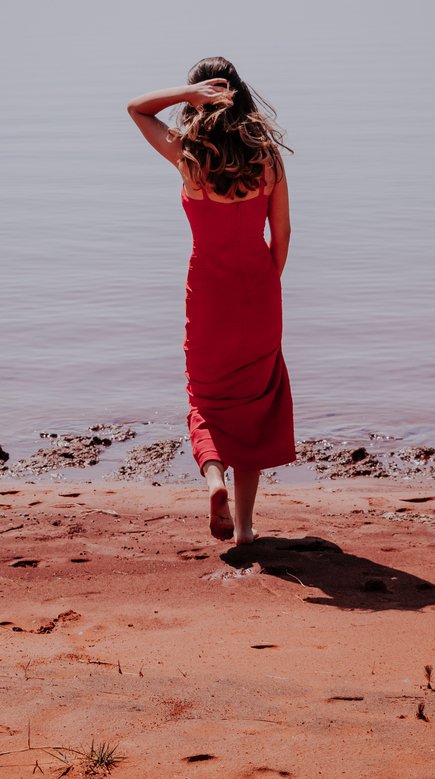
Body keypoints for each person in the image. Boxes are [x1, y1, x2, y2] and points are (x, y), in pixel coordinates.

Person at [128, 57, 295, 546]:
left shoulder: (189, 155)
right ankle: (243, 529)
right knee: (256, 403)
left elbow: (137, 110)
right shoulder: (268, 158)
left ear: (200, 98)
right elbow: (281, 233)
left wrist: (185, 94)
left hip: (207, 296)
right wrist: (267, 282)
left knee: (206, 399)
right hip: (260, 292)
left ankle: (214, 479)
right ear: (242, 96)